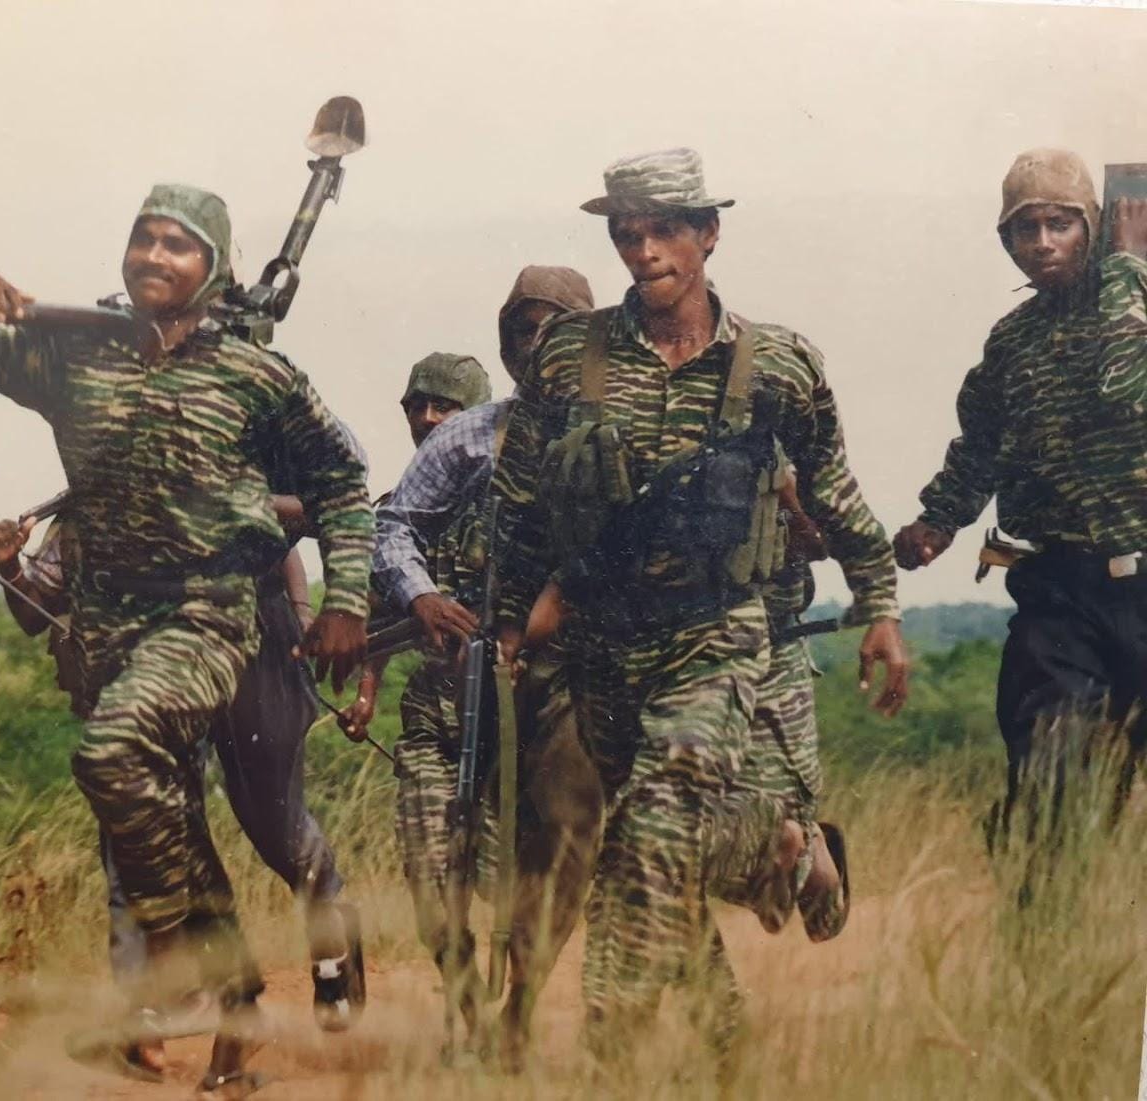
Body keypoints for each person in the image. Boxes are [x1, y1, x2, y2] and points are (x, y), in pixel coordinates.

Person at [0, 184, 372, 1096]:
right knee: (154, 802)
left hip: (208, 608)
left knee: (116, 751)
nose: (154, 256)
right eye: (143, 239)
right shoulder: (75, 352)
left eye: (178, 245)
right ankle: (235, 997)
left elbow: (344, 483)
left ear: (216, 270)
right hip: (106, 616)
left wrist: (345, 598)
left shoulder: (257, 376)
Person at [489, 149, 905, 1073]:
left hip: (719, 633)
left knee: (652, 818)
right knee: (651, 837)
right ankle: (740, 991)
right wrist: (510, 620)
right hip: (602, 645)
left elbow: (836, 494)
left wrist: (880, 603)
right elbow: (517, 502)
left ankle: (613, 1047)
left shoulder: (781, 363)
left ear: (709, 232)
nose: (644, 250)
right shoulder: (567, 356)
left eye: (665, 228)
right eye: (626, 232)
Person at [0, 508, 364, 1041]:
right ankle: (156, 1003)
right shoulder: (77, 519)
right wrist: (10, 567)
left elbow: (285, 542)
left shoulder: (203, 475)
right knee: (139, 831)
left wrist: (302, 614)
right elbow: (34, 612)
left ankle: (332, 941)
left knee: (275, 826)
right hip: (152, 687)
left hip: (248, 663)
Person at [350, 268, 603, 1065]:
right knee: (434, 877)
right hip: (449, 703)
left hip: (563, 687)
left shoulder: (617, 429)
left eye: (554, 327)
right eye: (521, 329)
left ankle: (519, 1008)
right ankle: (466, 1003)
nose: (536, 344)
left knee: (559, 854)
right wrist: (422, 597)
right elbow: (392, 528)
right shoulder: (469, 437)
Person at [895, 150, 1147, 846]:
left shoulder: (1139, 298)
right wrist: (938, 519)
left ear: (1094, 225)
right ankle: (1046, 945)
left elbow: (1126, 387)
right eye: (1024, 229)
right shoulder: (1012, 343)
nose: (1041, 243)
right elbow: (980, 442)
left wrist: (1129, 273)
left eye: (1060, 224)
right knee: (1050, 783)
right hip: (1062, 595)